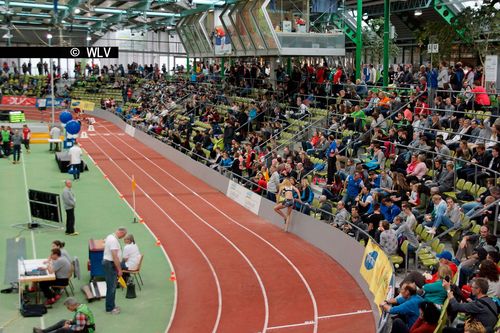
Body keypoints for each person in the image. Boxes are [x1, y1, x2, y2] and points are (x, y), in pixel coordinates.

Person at [103, 227, 127, 314]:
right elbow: (114, 256)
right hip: (110, 264)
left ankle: (111, 305)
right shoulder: (113, 241)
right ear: (120, 232)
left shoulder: (110, 236)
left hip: (109, 264)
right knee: (111, 287)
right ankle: (110, 308)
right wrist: (119, 269)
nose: (122, 237)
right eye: (123, 235)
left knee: (111, 286)